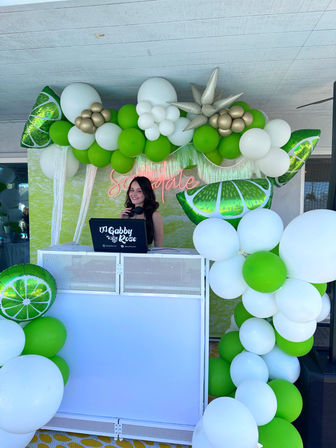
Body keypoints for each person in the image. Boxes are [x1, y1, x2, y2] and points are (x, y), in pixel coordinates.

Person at [120, 176, 163, 247]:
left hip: (145, 257)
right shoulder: (127, 214)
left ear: (146, 193)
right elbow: (121, 243)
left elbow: (158, 246)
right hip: (126, 256)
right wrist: (123, 221)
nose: (134, 194)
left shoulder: (155, 215)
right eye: (132, 190)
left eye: (139, 191)